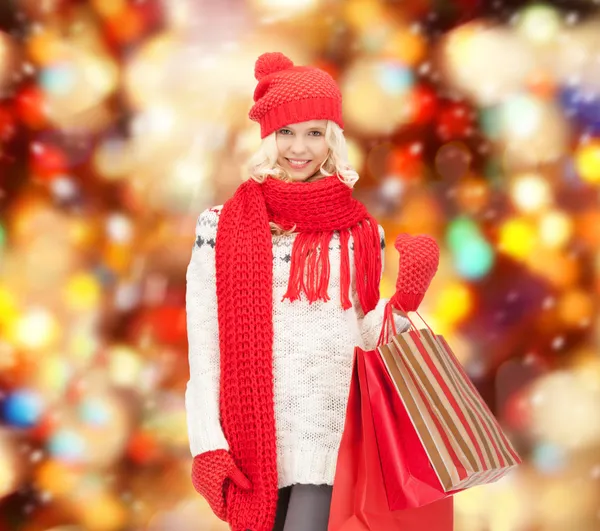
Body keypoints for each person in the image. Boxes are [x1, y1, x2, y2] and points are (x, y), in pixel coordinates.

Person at [185, 52, 414, 531]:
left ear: (332, 139)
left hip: (330, 438)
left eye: (314, 132)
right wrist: (207, 442)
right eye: (286, 132)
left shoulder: (360, 232)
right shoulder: (220, 227)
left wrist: (407, 301)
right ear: (268, 138)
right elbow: (204, 345)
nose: (299, 148)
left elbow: (369, 340)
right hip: (254, 441)